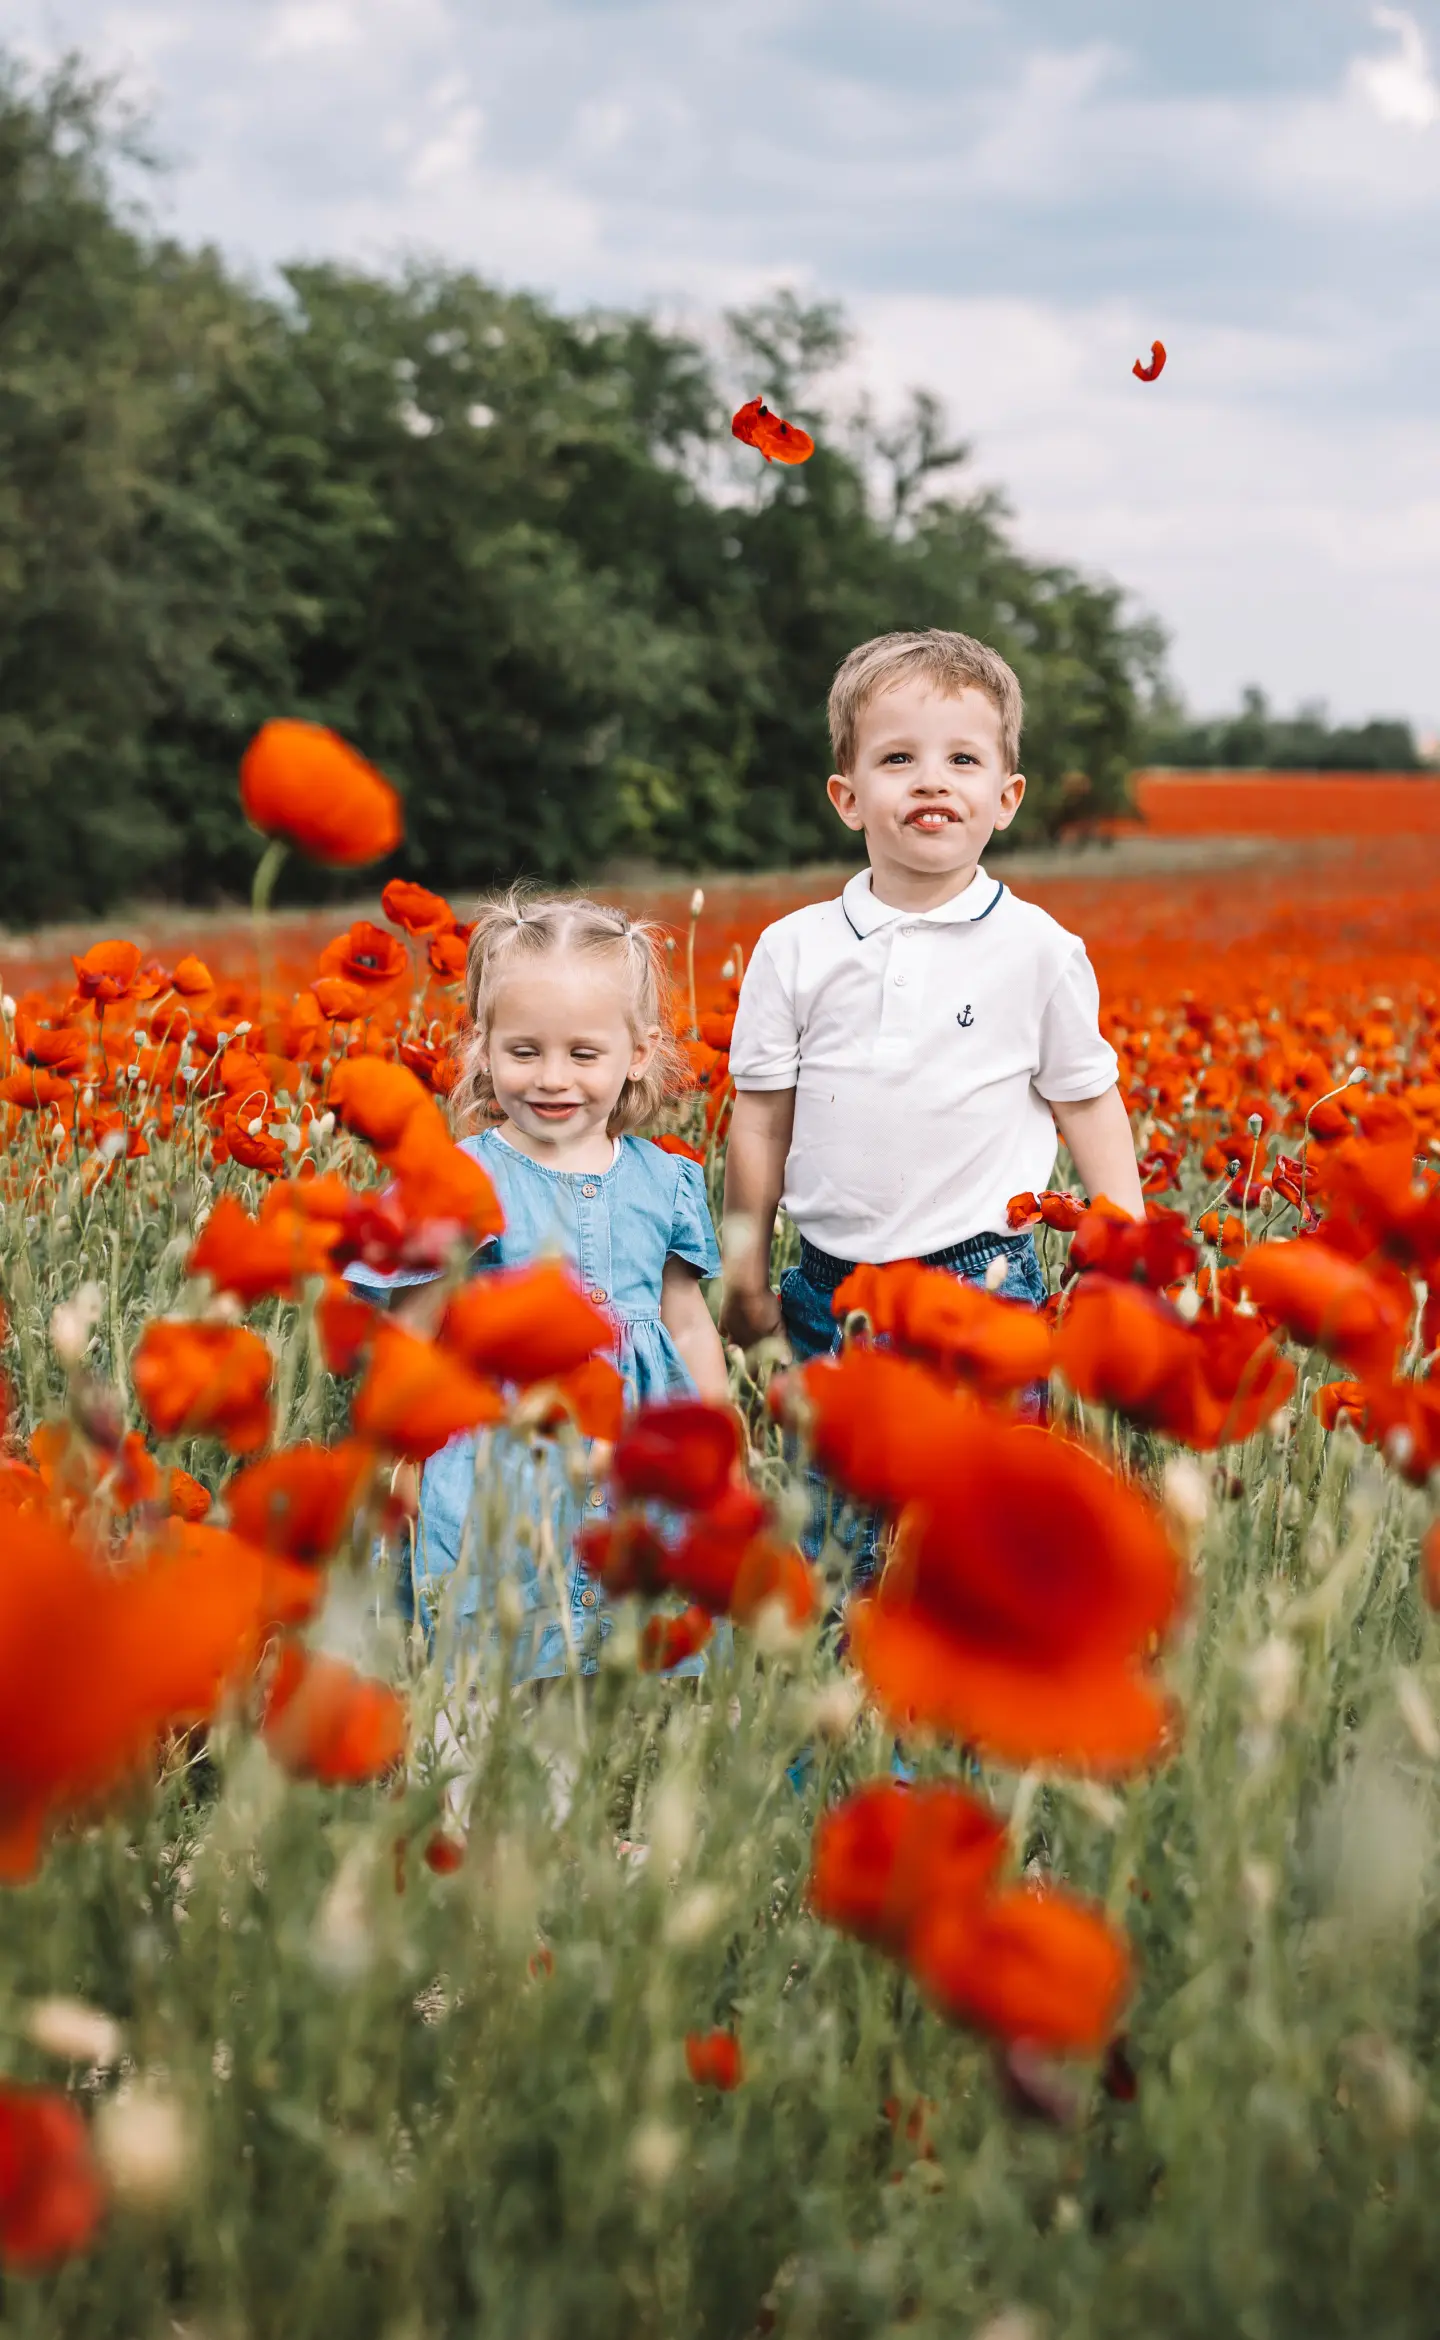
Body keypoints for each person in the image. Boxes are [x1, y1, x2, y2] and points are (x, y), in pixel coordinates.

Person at [719, 627, 1144, 1569]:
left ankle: (957, 1713)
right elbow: (759, 1122)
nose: (930, 780)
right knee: (832, 1550)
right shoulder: (795, 949)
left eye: (962, 759)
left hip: (982, 1288)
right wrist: (744, 1270)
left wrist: (1123, 1247)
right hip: (827, 1291)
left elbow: (1089, 1103)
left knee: (970, 1544)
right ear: (847, 796)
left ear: (1006, 796)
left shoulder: (1038, 950)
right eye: (897, 758)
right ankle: (844, 1708)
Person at [349, 891, 727, 1680]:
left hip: (631, 1447)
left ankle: (592, 1766)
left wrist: (718, 1437)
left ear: (640, 1052)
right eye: (525, 1052)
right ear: (481, 1047)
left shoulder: (667, 1180)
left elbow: (685, 1321)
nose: (553, 1079)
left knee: (616, 1627)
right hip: (499, 1454)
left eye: (583, 1055)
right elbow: (412, 1327)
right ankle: (466, 1783)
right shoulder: (461, 1179)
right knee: (491, 1629)